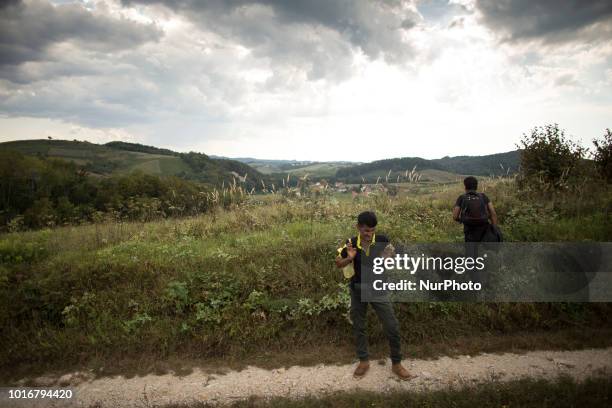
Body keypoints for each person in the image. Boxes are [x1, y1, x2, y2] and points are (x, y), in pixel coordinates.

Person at [335, 211, 416, 381]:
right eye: (365, 231)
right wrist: (349, 258)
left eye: (372, 230)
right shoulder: (350, 243)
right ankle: (364, 361)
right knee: (359, 325)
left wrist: (388, 258)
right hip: (358, 290)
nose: (369, 234)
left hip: (378, 290)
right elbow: (338, 263)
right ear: (358, 228)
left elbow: (392, 260)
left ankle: (397, 363)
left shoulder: (382, 240)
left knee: (392, 325)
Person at [452, 176, 498, 242]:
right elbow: (493, 213)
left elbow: (455, 216)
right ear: (476, 186)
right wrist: (494, 229)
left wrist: (462, 220)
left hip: (469, 229)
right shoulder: (483, 196)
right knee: (483, 250)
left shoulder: (462, 197)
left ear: (465, 187)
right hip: (484, 229)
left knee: (471, 250)